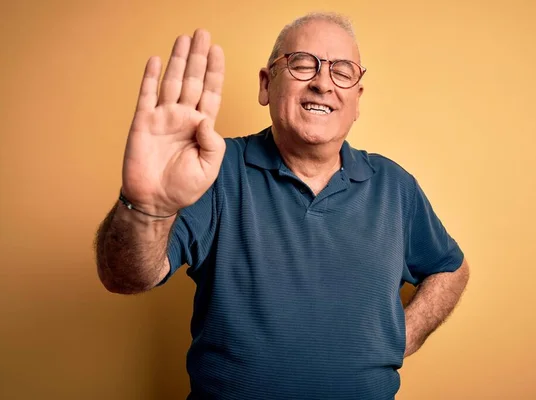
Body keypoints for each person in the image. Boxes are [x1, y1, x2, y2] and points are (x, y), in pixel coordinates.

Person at [94, 12, 470, 400]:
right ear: (265, 84)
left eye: (343, 71)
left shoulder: (395, 187)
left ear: (357, 100)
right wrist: (147, 206)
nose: (323, 83)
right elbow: (125, 277)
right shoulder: (211, 170)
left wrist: (401, 336)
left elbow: (451, 268)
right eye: (303, 64)